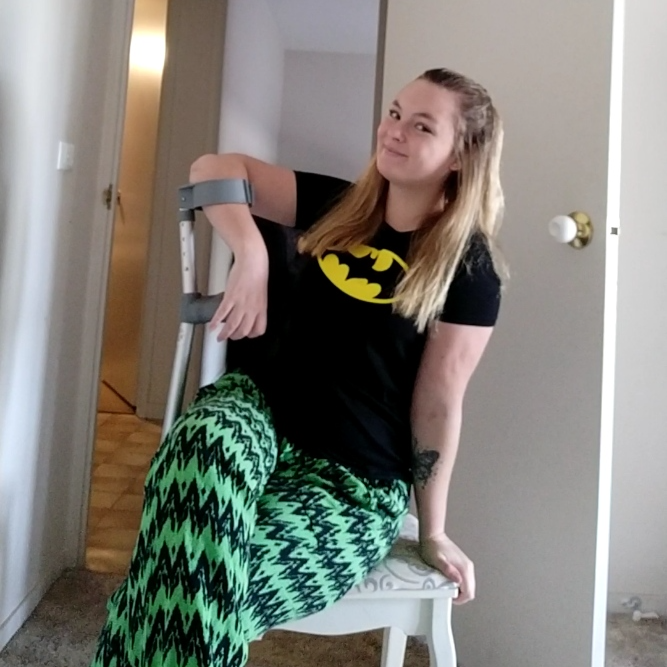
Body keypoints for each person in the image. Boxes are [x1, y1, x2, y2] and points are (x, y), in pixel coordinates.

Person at [91, 67, 506, 667]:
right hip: (259, 413)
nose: (394, 131)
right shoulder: (338, 205)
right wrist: (252, 253)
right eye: (394, 113)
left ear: (461, 155)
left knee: (190, 585)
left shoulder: (468, 269)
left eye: (421, 126)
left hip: (352, 479)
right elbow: (212, 168)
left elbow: (439, 404)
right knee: (202, 442)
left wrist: (434, 529)